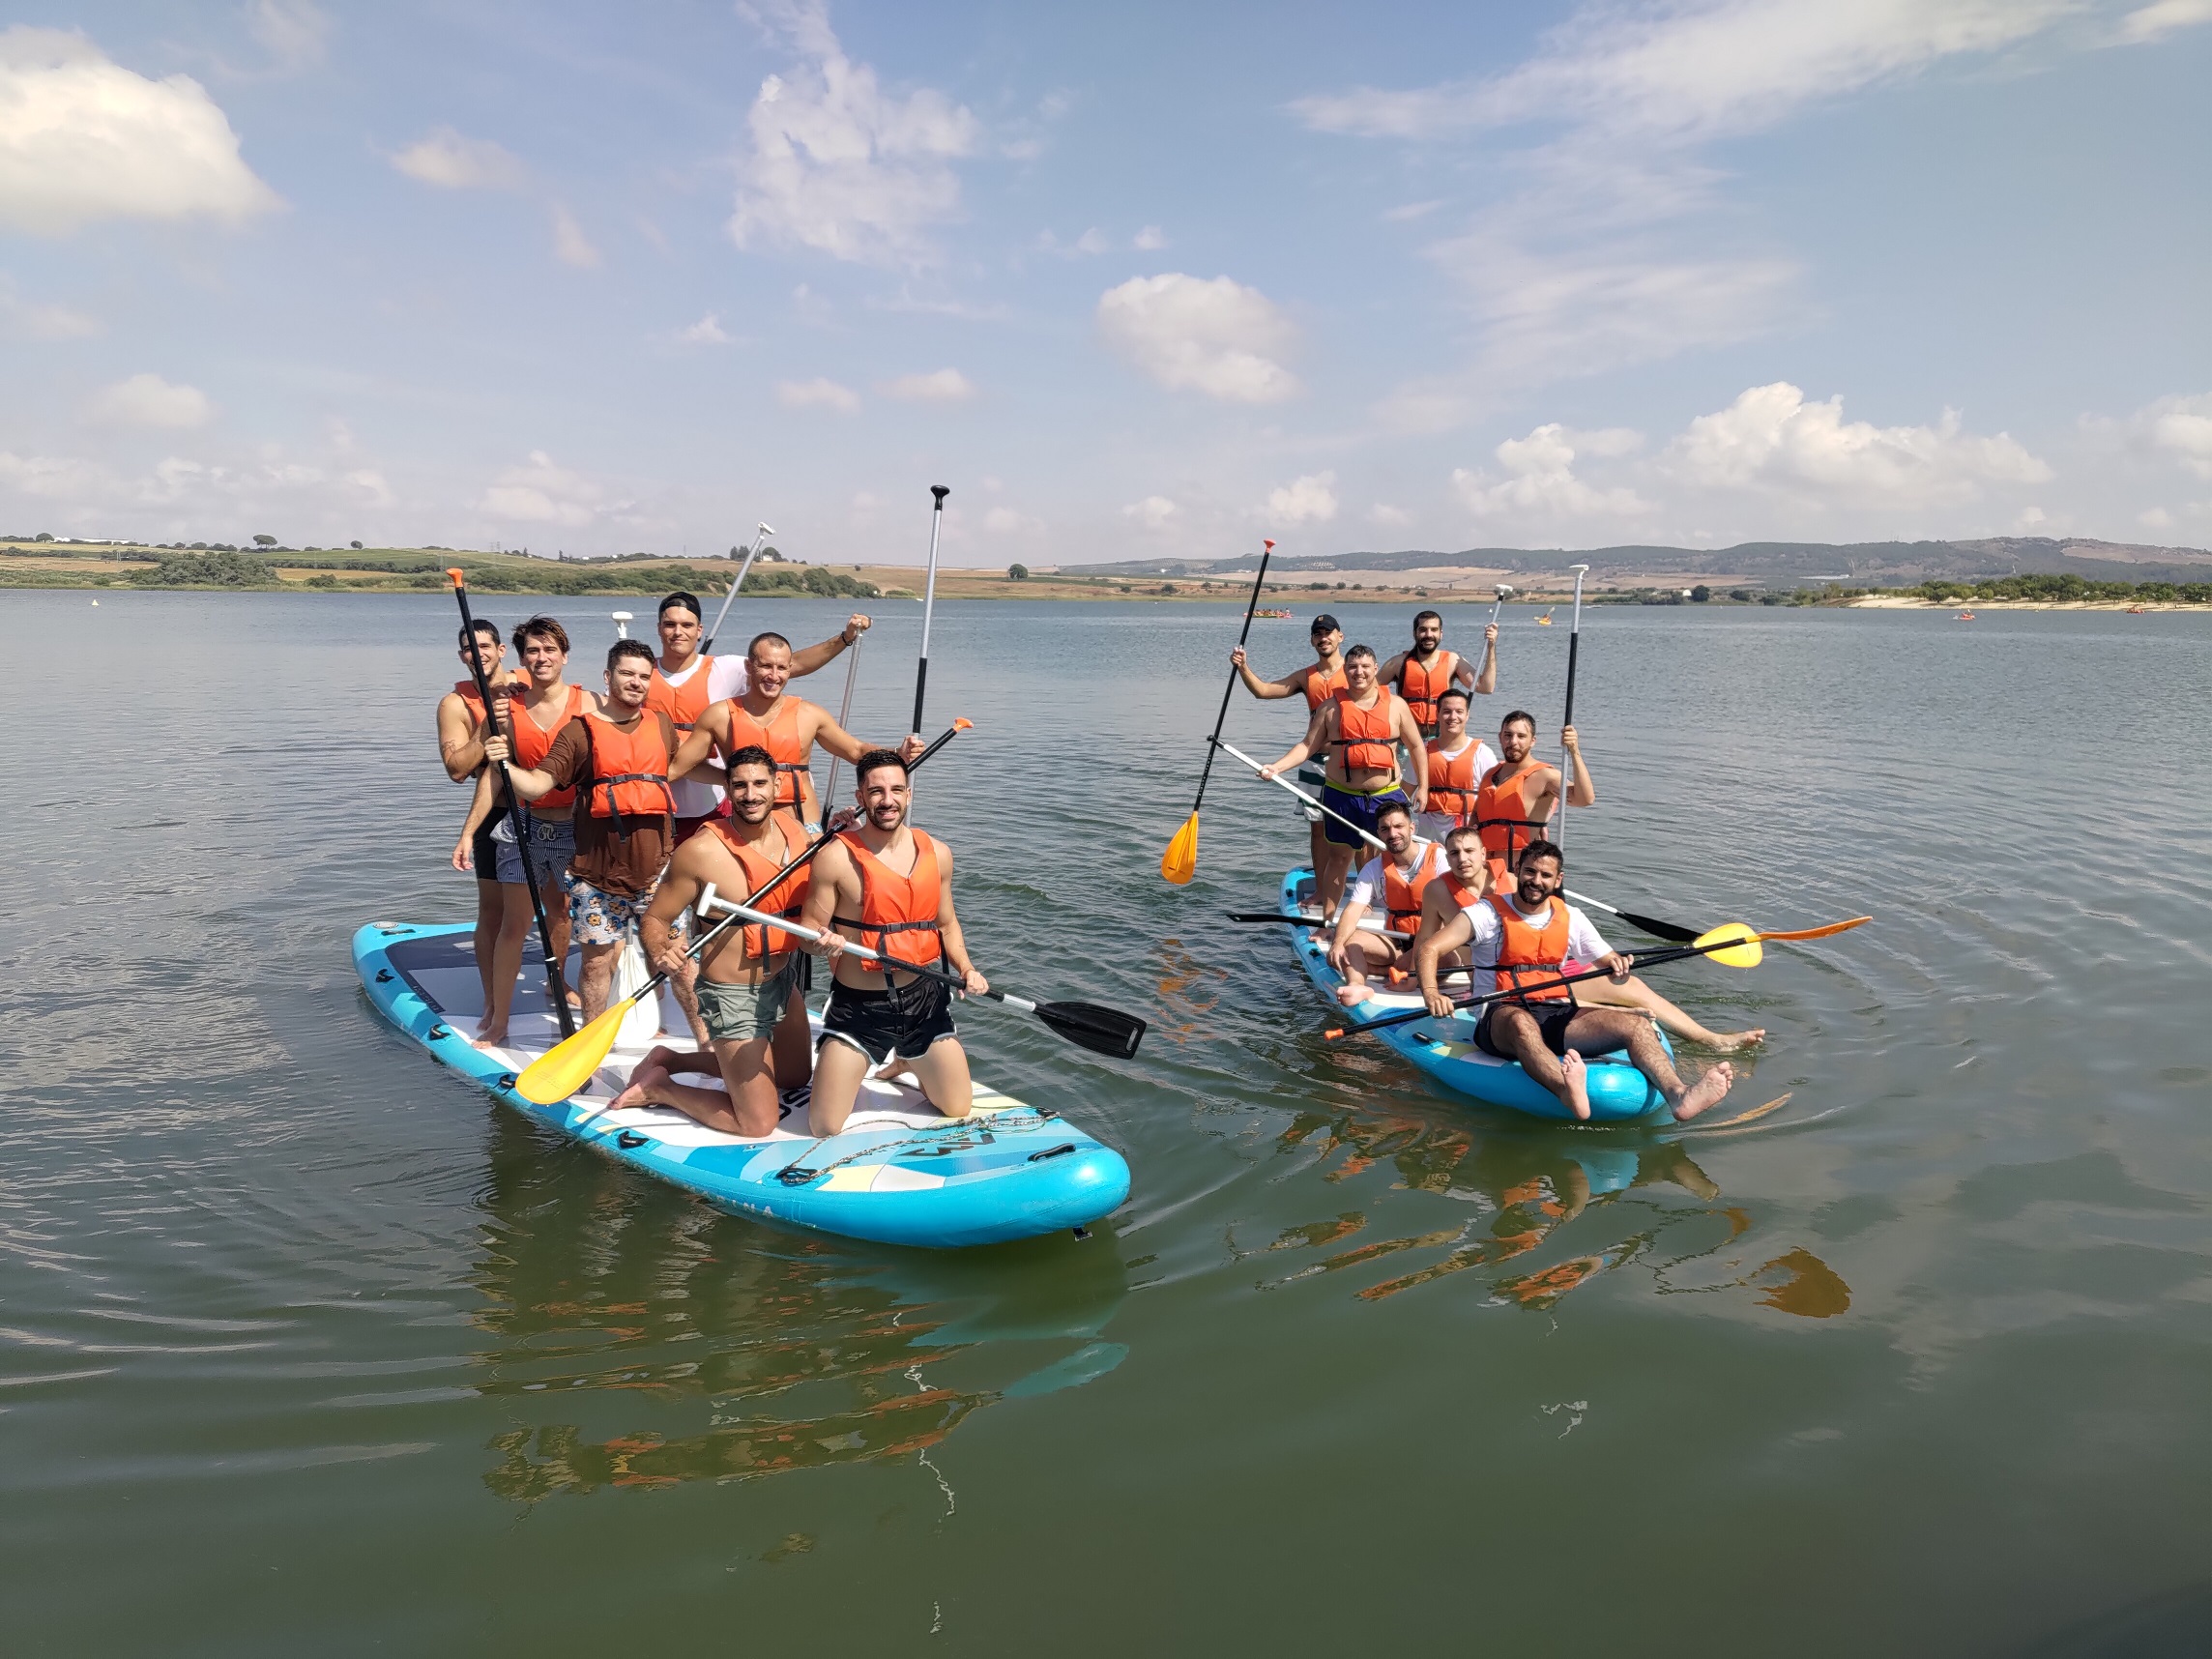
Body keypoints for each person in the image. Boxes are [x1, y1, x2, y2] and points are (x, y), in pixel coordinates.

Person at [1413, 839, 1735, 1122]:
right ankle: (1566, 1092)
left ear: (1558, 879)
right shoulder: (1486, 913)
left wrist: (1616, 962)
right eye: (1529, 872)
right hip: (1500, 1015)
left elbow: (1604, 957)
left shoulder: (1571, 917)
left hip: (1557, 1014)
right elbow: (1431, 947)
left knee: (1636, 1025)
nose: (1535, 881)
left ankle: (1679, 1095)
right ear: (1518, 870)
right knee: (1520, 1022)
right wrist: (1431, 993)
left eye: (1545, 875)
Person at [610, 746, 816, 1135]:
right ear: (727, 788)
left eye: (759, 784)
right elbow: (655, 918)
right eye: (739, 785)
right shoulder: (700, 851)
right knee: (757, 1124)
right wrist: (661, 948)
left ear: (778, 785)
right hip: (733, 995)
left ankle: (671, 1058)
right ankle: (662, 1087)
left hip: (783, 982)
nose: (750, 794)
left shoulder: (797, 832)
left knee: (794, 1076)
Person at [488, 638, 689, 1030]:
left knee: (677, 959)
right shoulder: (580, 732)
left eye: (644, 676)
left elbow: (680, 769)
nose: (636, 682)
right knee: (595, 964)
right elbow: (536, 786)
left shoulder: (662, 724)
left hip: (657, 871)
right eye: (627, 673)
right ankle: (588, 1042)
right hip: (596, 877)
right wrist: (505, 765)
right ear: (607, 676)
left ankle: (704, 1042)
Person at [798, 749, 989, 1138]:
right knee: (824, 1125)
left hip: (923, 1000)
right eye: (877, 791)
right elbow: (807, 935)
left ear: (909, 795)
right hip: (858, 1008)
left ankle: (908, 1058)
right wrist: (823, 942)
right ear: (861, 796)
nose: (887, 800)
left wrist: (967, 968)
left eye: (896, 790)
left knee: (957, 1106)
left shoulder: (938, 853)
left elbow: (947, 924)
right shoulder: (835, 858)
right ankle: (888, 1056)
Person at [450, 617, 595, 1047]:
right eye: (533, 651)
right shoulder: (505, 710)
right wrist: (466, 834)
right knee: (514, 925)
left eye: (550, 649)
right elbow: (493, 777)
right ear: (521, 660)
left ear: (565, 655)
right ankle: (499, 1019)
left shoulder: (589, 705)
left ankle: (558, 981)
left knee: (563, 914)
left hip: (573, 828)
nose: (542, 657)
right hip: (525, 826)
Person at [645, 590, 873, 844]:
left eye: (686, 625)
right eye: (670, 624)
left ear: (699, 630)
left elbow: (790, 662)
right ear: (658, 628)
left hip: (715, 805)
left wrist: (844, 639)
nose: (678, 632)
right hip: (663, 806)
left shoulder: (726, 668)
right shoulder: (640, 675)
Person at [669, 631, 922, 838]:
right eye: (766, 666)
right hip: (746, 824)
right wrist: (727, 778)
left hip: (803, 825)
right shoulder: (719, 715)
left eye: (782, 668)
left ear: (790, 669)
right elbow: (681, 767)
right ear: (749, 666)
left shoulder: (809, 714)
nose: (774, 676)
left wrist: (897, 754)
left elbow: (856, 751)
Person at [1257, 644, 1429, 923]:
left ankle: (1408, 915)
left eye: (1364, 667)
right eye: (1352, 667)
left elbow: (1418, 747)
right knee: (1338, 858)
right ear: (1345, 671)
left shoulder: (1396, 706)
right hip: (1342, 795)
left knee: (1398, 854)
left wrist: (1423, 786)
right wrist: (1276, 767)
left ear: (1375, 669)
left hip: (1385, 795)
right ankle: (1328, 922)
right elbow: (1307, 746)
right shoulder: (1329, 708)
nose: (1358, 672)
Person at [436, 618, 525, 1009]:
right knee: (494, 910)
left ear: (501, 650)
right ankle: (491, 998)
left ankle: (556, 985)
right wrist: (487, 725)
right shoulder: (454, 704)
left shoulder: (527, 681)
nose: (479, 654)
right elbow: (457, 769)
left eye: (485, 646)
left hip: (543, 810)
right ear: (462, 657)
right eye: (470, 649)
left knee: (555, 908)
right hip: (495, 812)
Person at [1231, 613, 1349, 877]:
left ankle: (1371, 893)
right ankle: (1320, 889)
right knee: (1318, 830)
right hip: (1313, 760)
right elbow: (1263, 691)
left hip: (1348, 761)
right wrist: (1243, 667)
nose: (1323, 638)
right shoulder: (1306, 677)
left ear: (1340, 636)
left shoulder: (1356, 671)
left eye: (1328, 632)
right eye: (1317, 634)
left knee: (1355, 826)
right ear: (1311, 641)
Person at [1326, 800, 1448, 1005]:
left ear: (1412, 828)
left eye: (1399, 826)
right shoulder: (1373, 868)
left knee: (1448, 959)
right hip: (1398, 941)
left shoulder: (1438, 858)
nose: (1392, 834)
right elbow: (1353, 909)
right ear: (1379, 834)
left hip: (1432, 942)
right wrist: (1337, 943)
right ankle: (1357, 983)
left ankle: (1390, 969)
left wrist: (1413, 962)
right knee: (1350, 940)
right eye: (1385, 829)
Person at [1473, 710, 1594, 889]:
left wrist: (1574, 751)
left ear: (1533, 741)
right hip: (1483, 873)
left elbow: (1584, 799)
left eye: (1521, 736)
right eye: (1508, 735)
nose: (1513, 742)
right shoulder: (1490, 775)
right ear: (1500, 737)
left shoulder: (1544, 776)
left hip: (1518, 876)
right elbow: (1475, 820)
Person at [1380, 609, 1499, 738]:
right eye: (1423, 630)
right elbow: (1367, 691)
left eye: (1434, 630)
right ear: (1415, 633)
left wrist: (1491, 647)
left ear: (1441, 634)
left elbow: (1486, 688)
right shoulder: (1398, 663)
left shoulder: (1453, 661)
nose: (1428, 635)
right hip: (1407, 740)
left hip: (1440, 739)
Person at [1415, 686, 1499, 846]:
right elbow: (1403, 794)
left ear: (1467, 715)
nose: (1453, 717)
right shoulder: (1422, 752)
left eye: (1459, 712)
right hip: (1428, 838)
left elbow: (1497, 796)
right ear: (1437, 715)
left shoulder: (1482, 754)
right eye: (1446, 711)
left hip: (1465, 838)